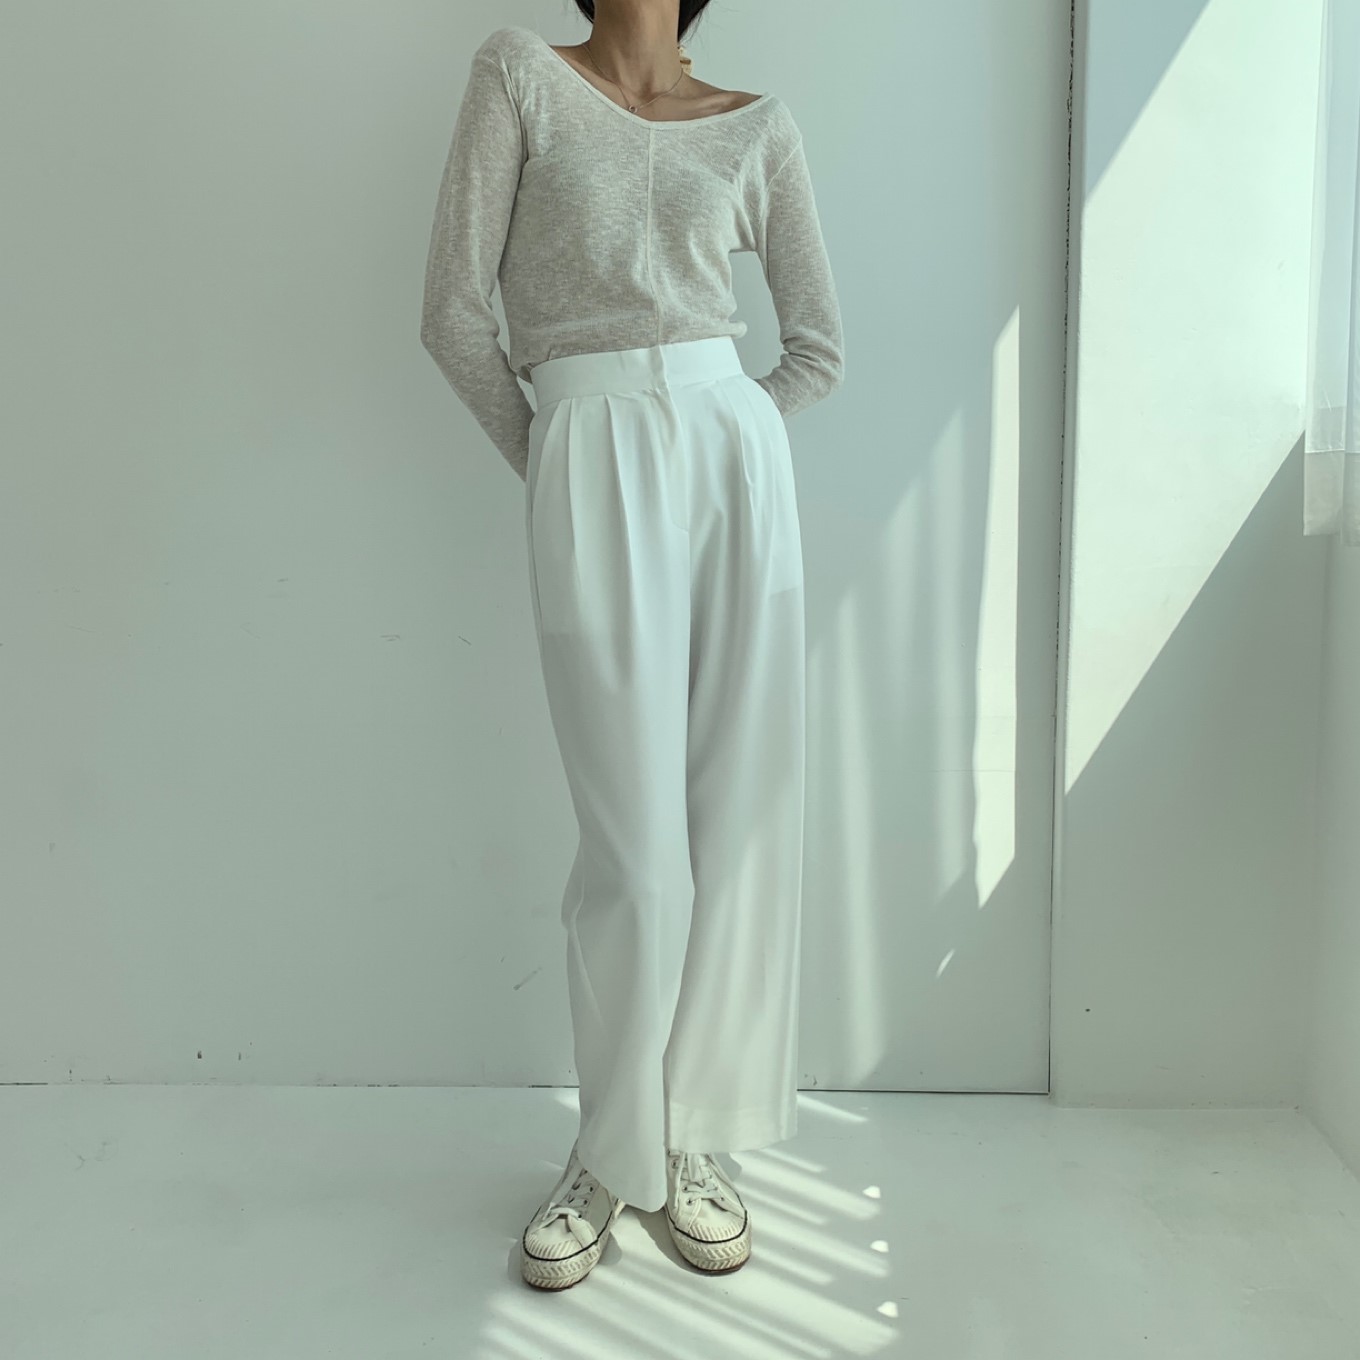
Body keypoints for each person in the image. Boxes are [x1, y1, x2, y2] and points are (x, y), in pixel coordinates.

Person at [419, 0, 844, 1291]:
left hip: (732, 458)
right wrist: (561, 455)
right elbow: (453, 313)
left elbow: (817, 349)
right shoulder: (518, 77)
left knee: (737, 821)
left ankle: (691, 1135)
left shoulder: (758, 128)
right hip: (588, 447)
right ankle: (611, 1149)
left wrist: (732, 439)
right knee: (636, 853)